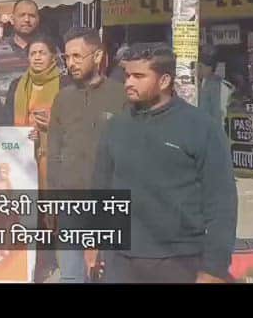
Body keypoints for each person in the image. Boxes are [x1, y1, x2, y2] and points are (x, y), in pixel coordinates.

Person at [92, 43, 238, 283]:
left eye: (139, 76)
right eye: (128, 75)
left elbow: (221, 202)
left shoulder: (200, 127)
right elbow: (101, 189)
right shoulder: (115, 127)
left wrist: (215, 267)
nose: (128, 82)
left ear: (164, 81)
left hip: (180, 260)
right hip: (121, 260)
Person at [47, 27, 126, 283]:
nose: (71, 63)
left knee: (110, 275)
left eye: (77, 56)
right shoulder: (62, 99)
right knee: (71, 276)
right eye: (67, 57)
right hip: (69, 201)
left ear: (98, 55)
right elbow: (54, 150)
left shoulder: (121, 96)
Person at [6, 32, 63, 190]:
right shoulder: (16, 86)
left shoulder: (65, 84)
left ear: (52, 56)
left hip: (55, 157)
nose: (37, 57)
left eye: (42, 53)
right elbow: (6, 121)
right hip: (22, 155)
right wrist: (22, 134)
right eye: (33, 53)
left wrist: (51, 126)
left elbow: (74, 122)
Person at [0, 0, 41, 101]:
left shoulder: (48, 50)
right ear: (13, 18)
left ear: (38, 19)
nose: (27, 19)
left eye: (32, 16)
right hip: (6, 114)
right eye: (22, 15)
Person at [198, 48, 233, 129]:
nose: (197, 70)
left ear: (209, 68)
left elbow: (217, 112)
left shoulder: (215, 84)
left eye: (200, 66)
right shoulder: (203, 82)